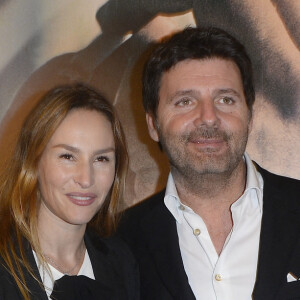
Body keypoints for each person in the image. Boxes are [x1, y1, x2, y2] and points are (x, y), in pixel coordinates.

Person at [117, 27, 300, 300]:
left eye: (225, 99)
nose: (208, 117)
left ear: (249, 117)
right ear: (153, 125)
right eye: (185, 101)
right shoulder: (121, 241)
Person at [0, 84, 139, 299]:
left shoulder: (122, 263)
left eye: (101, 159)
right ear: (33, 161)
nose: (86, 179)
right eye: (68, 156)